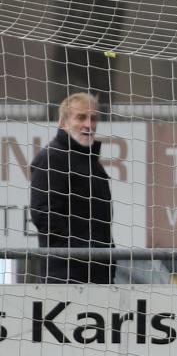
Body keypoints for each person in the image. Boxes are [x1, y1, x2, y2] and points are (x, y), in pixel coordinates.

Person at [29, 92, 116, 284]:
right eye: (81, 117)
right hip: (66, 276)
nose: (88, 124)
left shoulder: (92, 163)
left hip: (98, 275)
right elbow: (43, 213)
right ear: (63, 123)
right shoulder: (51, 157)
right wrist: (79, 253)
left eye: (93, 118)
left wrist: (108, 259)